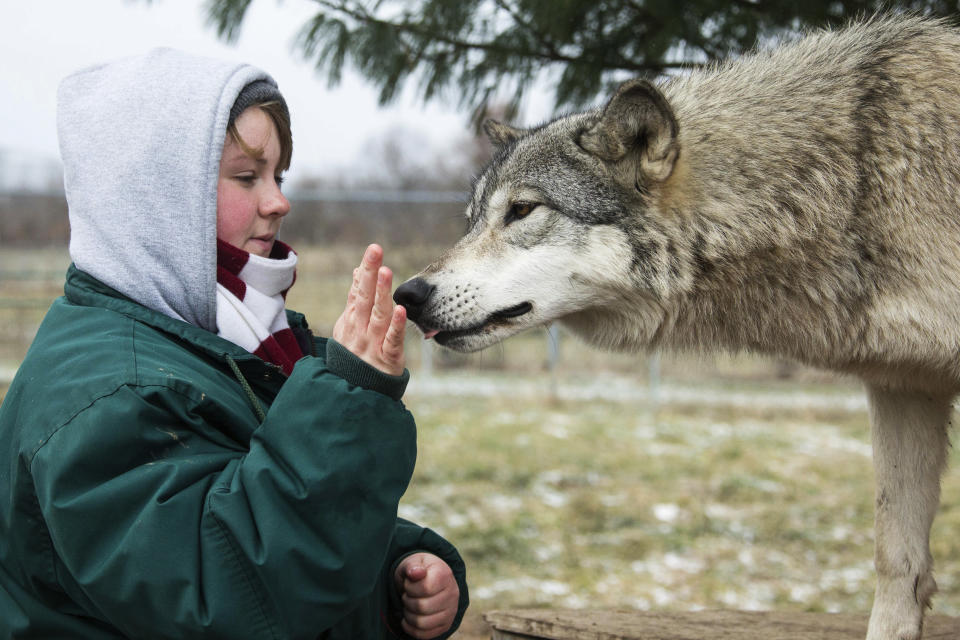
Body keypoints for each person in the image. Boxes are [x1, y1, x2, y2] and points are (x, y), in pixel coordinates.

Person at [0, 48, 468, 639]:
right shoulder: (112, 395)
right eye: (247, 177)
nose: (278, 201)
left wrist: (396, 577)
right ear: (158, 201)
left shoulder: (223, 339)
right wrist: (347, 396)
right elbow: (234, 588)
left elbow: (259, 501)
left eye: (278, 175)